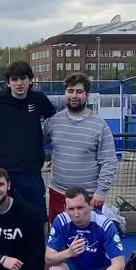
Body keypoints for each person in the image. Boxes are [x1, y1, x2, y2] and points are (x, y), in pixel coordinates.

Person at [0, 60, 55, 211]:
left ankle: (39, 236)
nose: (19, 83)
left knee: (37, 214)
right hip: (4, 171)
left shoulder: (39, 99)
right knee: (5, 214)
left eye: (23, 78)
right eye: (14, 79)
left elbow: (56, 122)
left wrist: (57, 156)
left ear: (30, 80)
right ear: (8, 83)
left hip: (32, 169)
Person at [44, 73, 117, 220]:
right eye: (70, 91)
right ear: (65, 93)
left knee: (87, 242)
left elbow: (108, 161)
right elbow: (35, 144)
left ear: (87, 94)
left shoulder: (99, 126)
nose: (74, 96)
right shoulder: (53, 122)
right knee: (60, 241)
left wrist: (101, 192)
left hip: (88, 197)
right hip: (58, 194)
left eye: (79, 91)